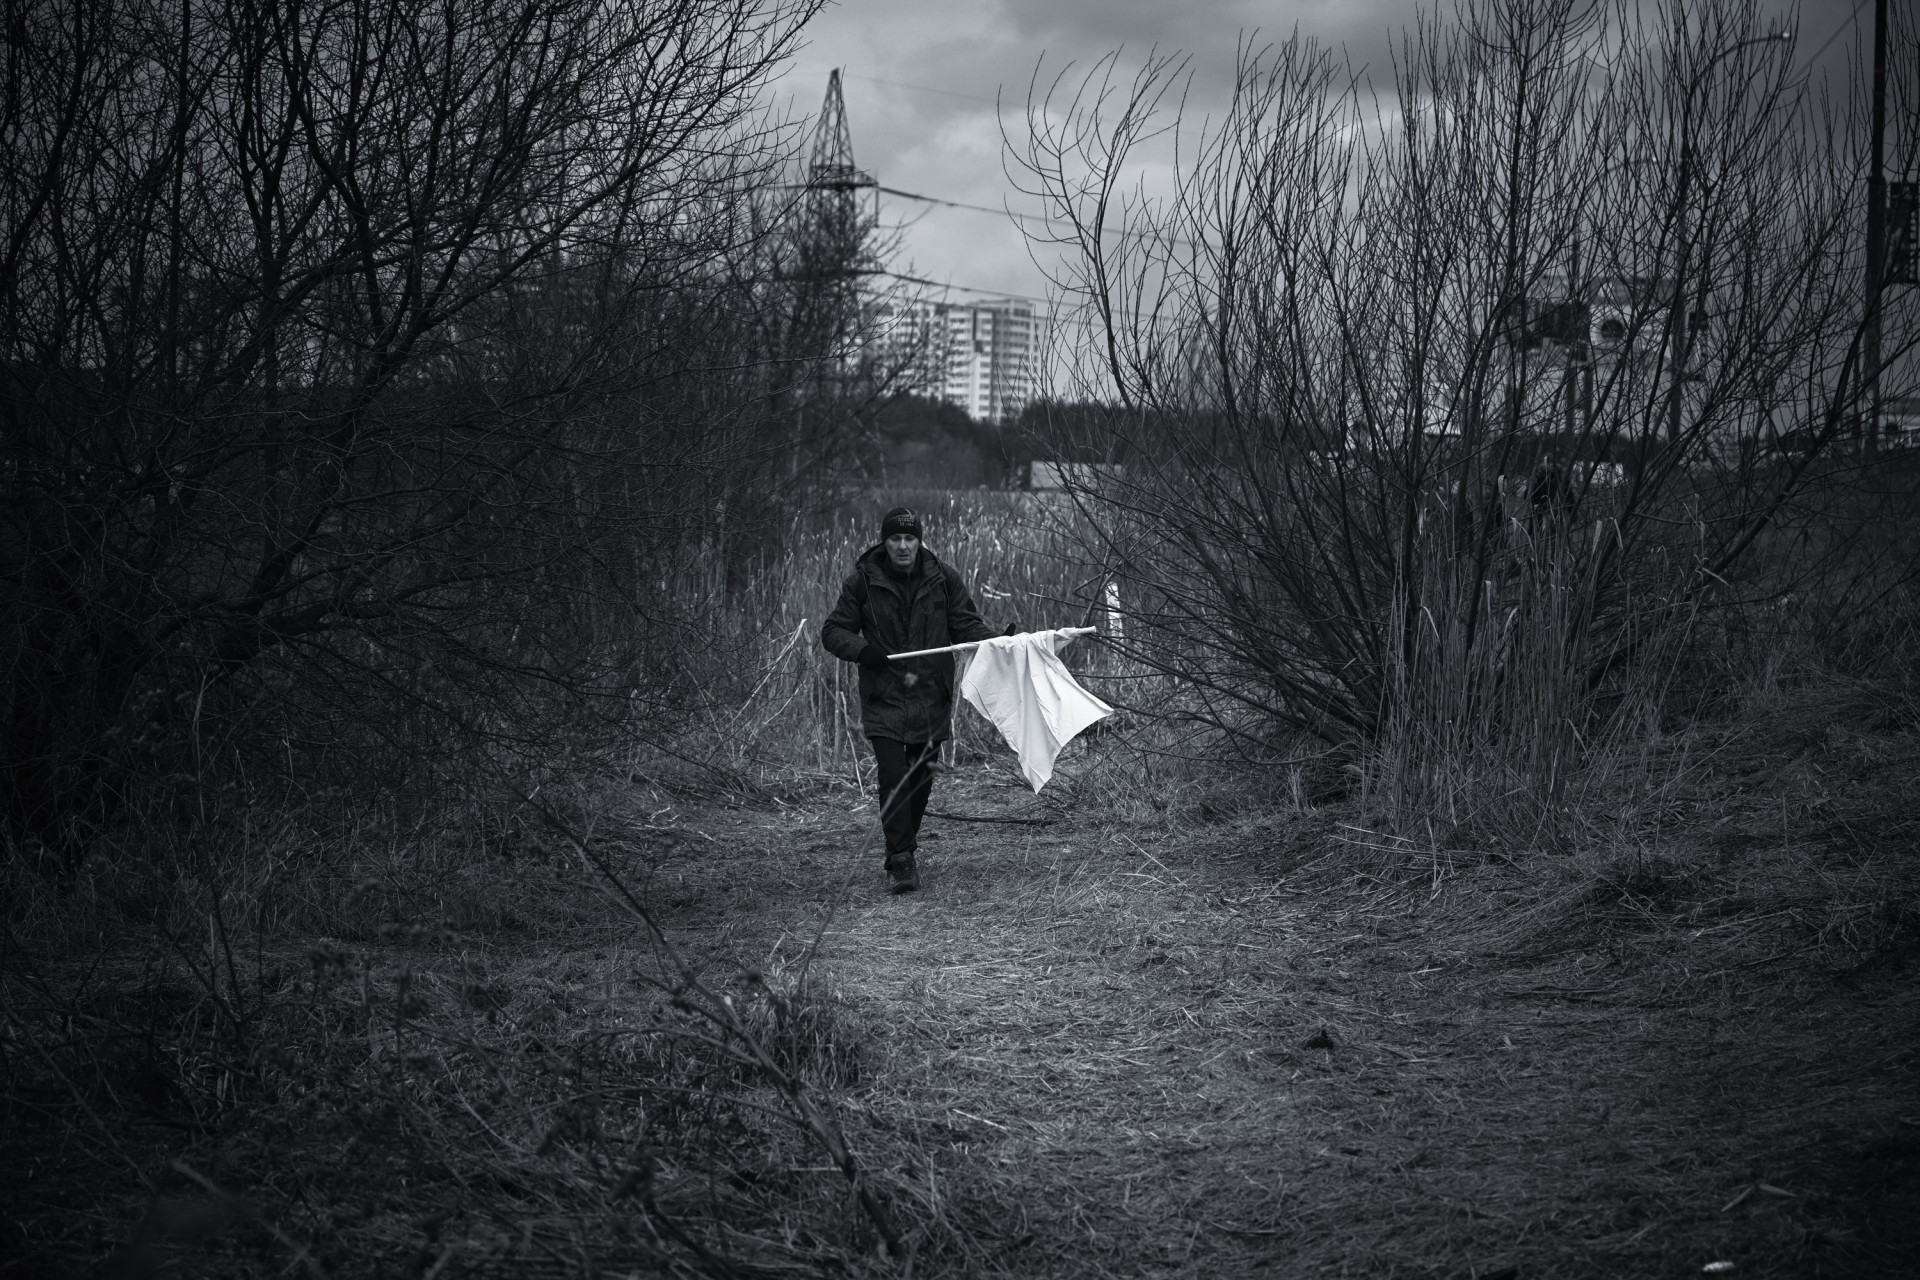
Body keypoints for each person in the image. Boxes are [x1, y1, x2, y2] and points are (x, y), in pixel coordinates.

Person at [821, 506, 1004, 893]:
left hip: (930, 695)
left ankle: (903, 848)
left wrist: (996, 640)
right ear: (884, 541)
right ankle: (901, 859)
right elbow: (834, 630)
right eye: (895, 538)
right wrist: (861, 648)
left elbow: (964, 623)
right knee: (892, 776)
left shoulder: (942, 578)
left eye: (909, 538)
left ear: (919, 540)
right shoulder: (862, 582)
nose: (902, 546)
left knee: (920, 780)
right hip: (884, 695)